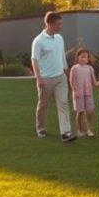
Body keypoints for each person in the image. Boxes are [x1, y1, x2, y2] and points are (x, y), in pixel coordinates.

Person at [31, 11, 75, 143]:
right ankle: (41, 128)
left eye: (61, 24)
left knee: (63, 104)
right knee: (43, 105)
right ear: (48, 24)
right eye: (58, 24)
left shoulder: (59, 38)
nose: (60, 26)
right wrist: (38, 78)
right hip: (45, 79)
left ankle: (66, 133)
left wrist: (66, 72)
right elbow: (34, 60)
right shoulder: (38, 41)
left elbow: (61, 56)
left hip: (60, 77)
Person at [70, 49, 99, 137]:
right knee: (80, 112)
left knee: (90, 111)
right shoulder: (74, 68)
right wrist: (75, 91)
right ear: (78, 57)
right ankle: (79, 130)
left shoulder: (90, 68)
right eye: (82, 57)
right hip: (79, 93)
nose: (84, 59)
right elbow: (72, 81)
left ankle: (89, 129)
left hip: (88, 93)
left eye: (86, 57)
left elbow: (95, 82)